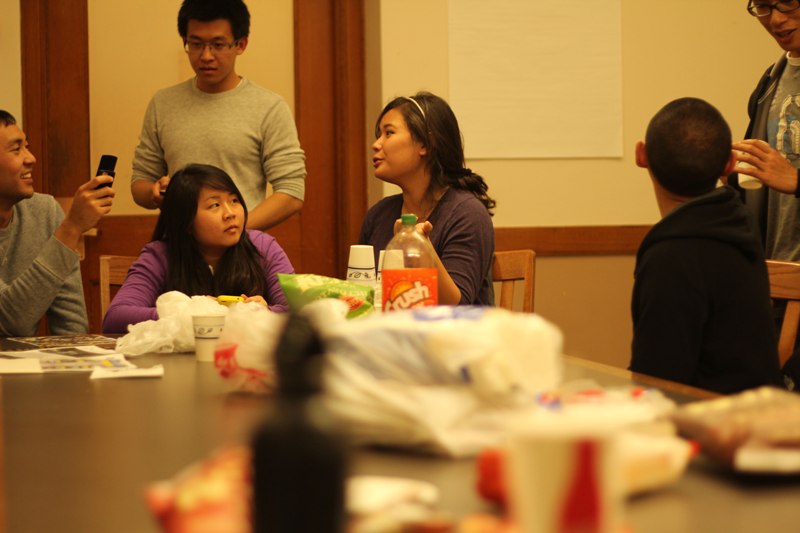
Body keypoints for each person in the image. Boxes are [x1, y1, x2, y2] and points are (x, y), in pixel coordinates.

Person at [630, 97, 784, 394]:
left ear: (642, 155)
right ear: (729, 163)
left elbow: (657, 386)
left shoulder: (669, 257)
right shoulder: (738, 223)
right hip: (758, 416)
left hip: (712, 426)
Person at [131, 0, 305, 231]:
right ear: (185, 41)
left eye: (218, 45)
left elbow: (291, 192)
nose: (206, 56)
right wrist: (156, 194)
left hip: (241, 252)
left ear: (240, 44)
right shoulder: (163, 103)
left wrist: (234, 232)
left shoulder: (269, 107)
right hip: (178, 250)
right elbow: (140, 183)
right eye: (196, 44)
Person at [103, 164, 293, 333]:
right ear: (186, 221)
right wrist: (194, 311)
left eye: (234, 201)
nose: (230, 213)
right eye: (215, 205)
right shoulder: (160, 255)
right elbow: (117, 316)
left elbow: (297, 311)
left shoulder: (262, 246)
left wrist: (265, 312)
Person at [358, 91, 495, 306]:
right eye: (379, 135)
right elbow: (362, 298)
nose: (376, 144)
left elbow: (458, 307)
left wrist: (419, 246)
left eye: (389, 133)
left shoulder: (467, 214)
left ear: (424, 144)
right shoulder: (378, 215)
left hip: (453, 337)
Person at [0, 110, 115, 336]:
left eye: (27, 146)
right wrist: (71, 229)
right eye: (16, 149)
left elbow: (71, 323)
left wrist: (76, 364)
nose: (30, 158)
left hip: (23, 368)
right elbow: (10, 322)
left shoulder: (44, 211)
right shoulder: (65, 225)